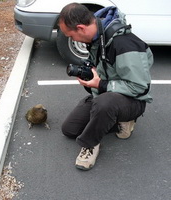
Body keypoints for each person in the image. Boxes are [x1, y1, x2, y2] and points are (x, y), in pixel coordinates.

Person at [58, 3, 153, 171]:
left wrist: (100, 84)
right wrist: (91, 77)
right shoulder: (97, 38)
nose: (72, 40)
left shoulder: (125, 44)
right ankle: (118, 121)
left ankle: (90, 145)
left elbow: (140, 87)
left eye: (71, 36)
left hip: (132, 100)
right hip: (107, 94)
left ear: (80, 28)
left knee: (105, 104)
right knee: (70, 129)